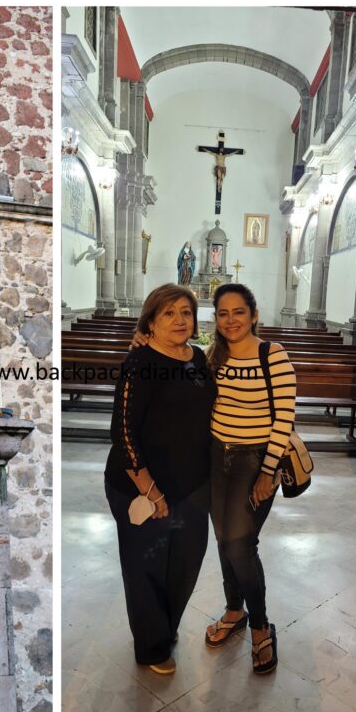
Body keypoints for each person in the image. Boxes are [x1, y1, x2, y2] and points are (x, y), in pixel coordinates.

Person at [105, 284, 216, 675]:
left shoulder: (198, 358)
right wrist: (152, 491)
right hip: (139, 485)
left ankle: (165, 628)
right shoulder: (139, 363)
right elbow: (123, 433)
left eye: (186, 312)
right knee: (146, 567)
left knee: (186, 563)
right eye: (169, 313)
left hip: (192, 485)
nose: (180, 320)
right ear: (150, 321)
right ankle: (152, 647)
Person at [204, 283, 295, 675]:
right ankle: (232, 610)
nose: (230, 320)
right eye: (222, 314)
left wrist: (269, 470)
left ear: (254, 315)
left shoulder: (271, 355)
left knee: (240, 545)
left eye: (238, 312)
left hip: (254, 460)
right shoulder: (212, 355)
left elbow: (284, 419)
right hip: (214, 457)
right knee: (224, 540)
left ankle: (260, 627)